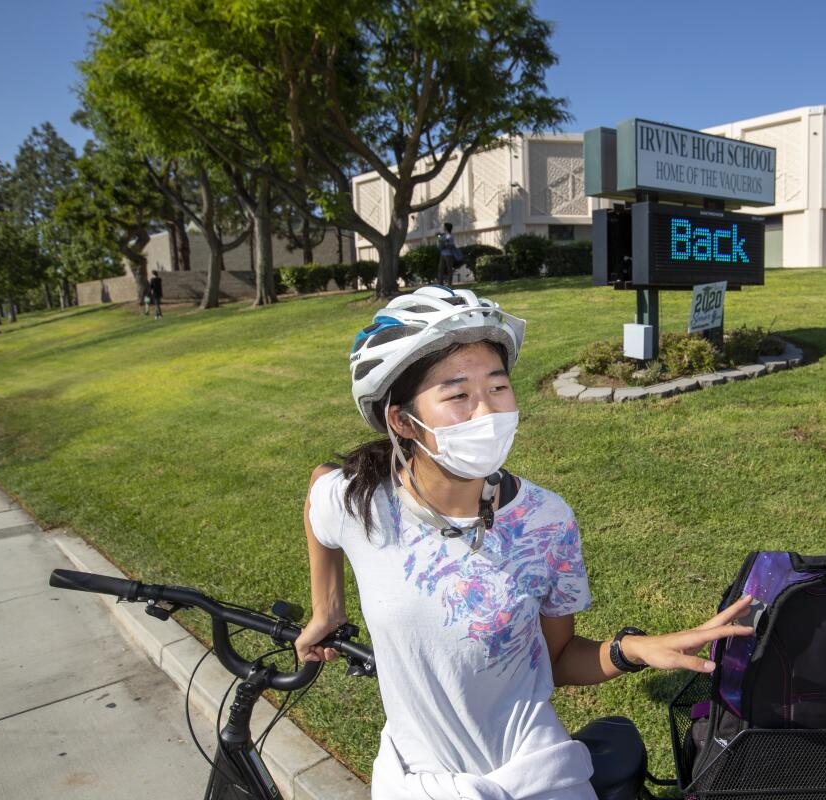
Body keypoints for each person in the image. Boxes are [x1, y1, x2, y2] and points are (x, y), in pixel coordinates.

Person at [296, 285, 753, 800]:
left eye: (497, 387)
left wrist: (634, 651)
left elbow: (556, 661)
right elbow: (319, 491)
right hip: (414, 780)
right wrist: (326, 609)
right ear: (403, 421)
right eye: (457, 395)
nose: (487, 412)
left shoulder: (546, 521)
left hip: (539, 777)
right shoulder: (364, 505)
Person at [437, 222, 457, 286]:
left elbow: (451, 245)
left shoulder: (450, 236)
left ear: (447, 228)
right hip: (442, 254)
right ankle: (440, 284)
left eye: (444, 227)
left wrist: (444, 243)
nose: (443, 228)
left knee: (449, 270)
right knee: (440, 269)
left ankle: (449, 284)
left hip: (449, 255)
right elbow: (439, 243)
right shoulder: (443, 235)